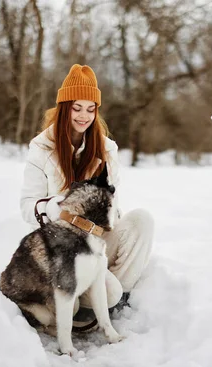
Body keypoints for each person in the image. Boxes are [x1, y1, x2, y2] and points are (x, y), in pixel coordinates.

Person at [20, 64, 154, 332]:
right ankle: (86, 300)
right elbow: (27, 207)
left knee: (142, 220)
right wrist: (56, 207)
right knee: (107, 287)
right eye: (77, 107)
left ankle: (109, 301)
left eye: (90, 108)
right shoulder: (41, 149)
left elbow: (113, 209)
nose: (84, 115)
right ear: (64, 107)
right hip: (60, 248)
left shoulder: (106, 149)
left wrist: (101, 207)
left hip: (96, 239)